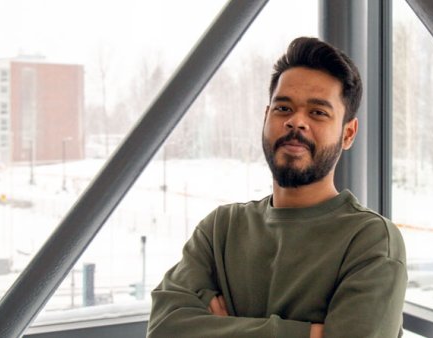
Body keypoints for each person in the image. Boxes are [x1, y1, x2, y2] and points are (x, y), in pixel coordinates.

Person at [147, 37, 407, 338]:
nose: (296, 122)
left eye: (318, 112)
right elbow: (164, 329)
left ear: (348, 133)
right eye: (283, 108)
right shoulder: (220, 229)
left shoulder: (370, 241)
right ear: (266, 116)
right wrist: (310, 333)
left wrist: (221, 327)